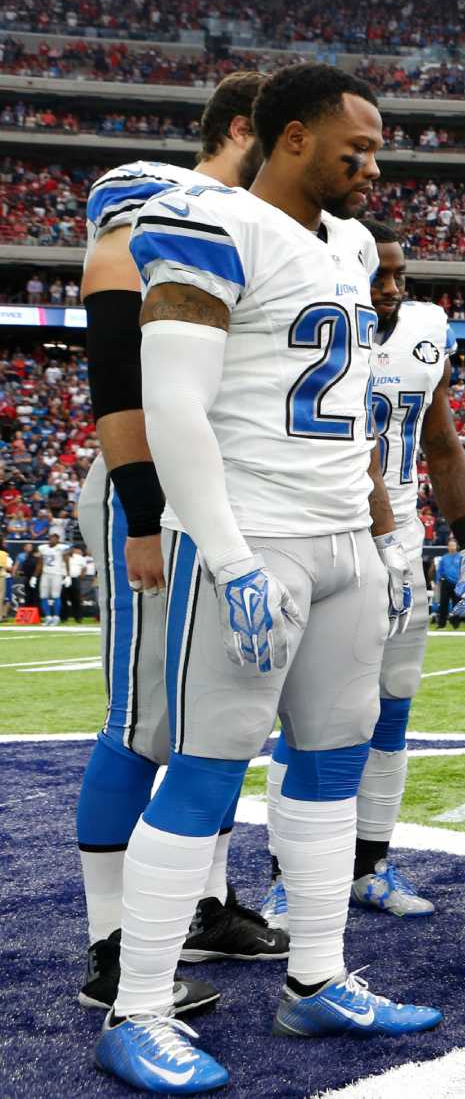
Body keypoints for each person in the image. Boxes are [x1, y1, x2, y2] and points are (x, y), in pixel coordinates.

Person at [102, 63, 440, 1093]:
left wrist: (376, 545)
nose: (373, 166)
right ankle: (138, 1006)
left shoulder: (341, 247)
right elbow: (174, 405)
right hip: (254, 535)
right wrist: (230, 556)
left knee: (332, 762)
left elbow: (348, 417)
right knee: (204, 770)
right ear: (290, 137)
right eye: (357, 147)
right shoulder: (207, 220)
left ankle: (318, 973)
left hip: (340, 537)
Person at [71, 71, 283, 1026]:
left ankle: (200, 905)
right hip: (151, 489)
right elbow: (118, 373)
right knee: (140, 720)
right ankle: (110, 950)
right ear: (246, 130)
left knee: (215, 721)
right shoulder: (151, 200)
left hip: (226, 495)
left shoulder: (261, 229)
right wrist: (144, 511)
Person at [259, 221, 465, 927]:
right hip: (329, 531)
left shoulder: (426, 329)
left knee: (393, 711)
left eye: (399, 277)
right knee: (311, 717)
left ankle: (369, 864)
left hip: (405, 540)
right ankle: (288, 875)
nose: (389, 289)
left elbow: (442, 445)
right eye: (377, 276)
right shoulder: (317, 314)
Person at [36, 530, 67, 624]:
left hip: (57, 574)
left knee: (55, 596)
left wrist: (67, 575)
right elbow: (40, 562)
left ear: (58, 540)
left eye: (55, 538)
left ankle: (56, 617)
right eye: (51, 538)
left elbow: (67, 560)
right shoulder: (42, 548)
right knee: (43, 596)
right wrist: (34, 576)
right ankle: (48, 617)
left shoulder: (62, 548)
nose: (52, 540)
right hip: (45, 574)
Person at [433, 536, 464, 628]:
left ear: (456, 546)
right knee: (443, 604)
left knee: (457, 604)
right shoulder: (444, 558)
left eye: (453, 545)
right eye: (450, 545)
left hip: (457, 583)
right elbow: (440, 570)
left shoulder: (461, 557)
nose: (451, 547)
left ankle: (455, 623)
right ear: (448, 547)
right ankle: (441, 623)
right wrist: (437, 581)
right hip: (445, 582)